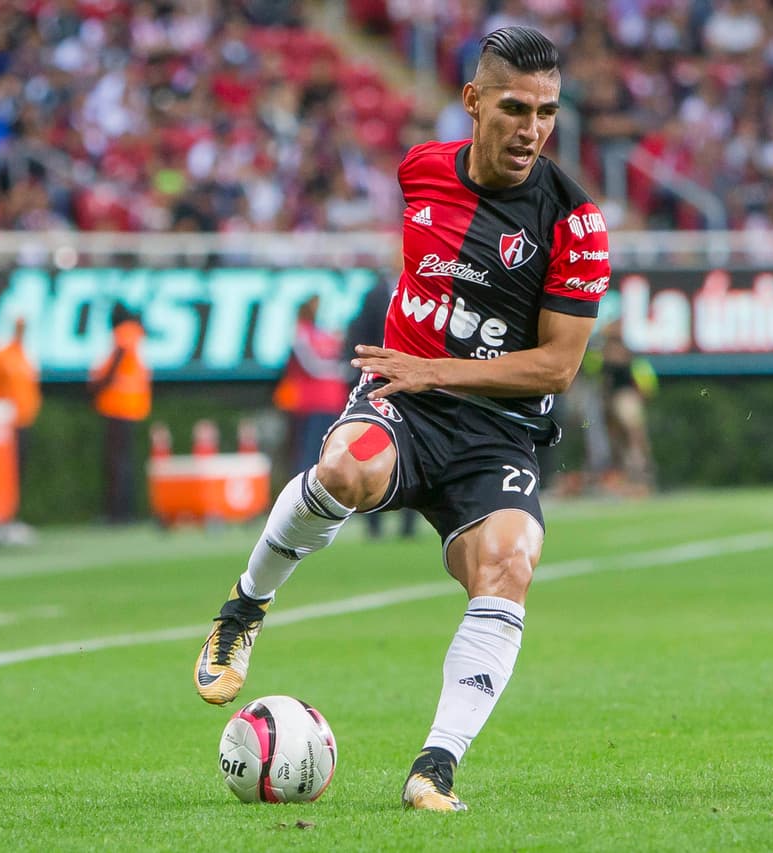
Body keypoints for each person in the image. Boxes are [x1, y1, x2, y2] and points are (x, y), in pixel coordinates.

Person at [193, 27, 611, 813]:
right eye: (515, 108)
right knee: (345, 467)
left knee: (511, 563)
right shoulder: (421, 170)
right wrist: (420, 352)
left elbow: (557, 366)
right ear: (474, 102)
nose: (531, 129)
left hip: (499, 433)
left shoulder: (574, 224)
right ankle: (242, 610)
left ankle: (435, 765)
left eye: (548, 112)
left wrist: (440, 363)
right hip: (405, 403)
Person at [345, 278, 418, 540]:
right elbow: (359, 334)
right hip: (377, 381)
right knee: (369, 448)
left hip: (413, 383)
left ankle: (409, 523)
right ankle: (372, 522)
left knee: (413, 450)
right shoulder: (374, 294)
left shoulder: (424, 287)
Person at [88, 303, 151, 524]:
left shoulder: (124, 334)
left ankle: (117, 513)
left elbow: (115, 362)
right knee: (124, 462)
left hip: (119, 406)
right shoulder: (136, 334)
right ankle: (125, 511)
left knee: (116, 463)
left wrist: (98, 386)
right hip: (131, 406)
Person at [274, 295, 348, 478]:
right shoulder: (301, 333)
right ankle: (301, 496)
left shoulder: (325, 334)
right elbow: (312, 365)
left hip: (332, 401)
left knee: (328, 453)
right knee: (307, 453)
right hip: (310, 403)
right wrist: (339, 370)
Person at [600, 318, 657, 495]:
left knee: (633, 437)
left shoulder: (628, 353)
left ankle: (641, 476)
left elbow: (645, 381)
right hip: (608, 400)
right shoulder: (601, 352)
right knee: (616, 442)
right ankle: (621, 479)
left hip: (626, 397)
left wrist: (642, 394)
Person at [0, 316, 42, 482]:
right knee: (2, 471)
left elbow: (33, 389)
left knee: (18, 470)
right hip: (5, 422)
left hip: (24, 420)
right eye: (18, 327)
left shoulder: (28, 356)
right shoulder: (2, 356)